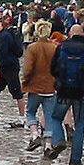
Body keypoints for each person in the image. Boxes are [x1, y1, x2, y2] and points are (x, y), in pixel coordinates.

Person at [48, 25, 84, 165]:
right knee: (80, 124)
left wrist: (60, 80)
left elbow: (53, 68)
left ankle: (59, 140)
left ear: (69, 33)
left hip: (64, 91)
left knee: (56, 118)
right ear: (82, 34)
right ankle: (76, 159)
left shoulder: (62, 47)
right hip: (81, 92)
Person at [22, 20, 60, 152]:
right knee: (49, 116)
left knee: (31, 112)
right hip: (50, 87)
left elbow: (28, 69)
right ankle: (48, 145)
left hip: (35, 86)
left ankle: (35, 134)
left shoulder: (32, 48)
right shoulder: (54, 48)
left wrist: (25, 82)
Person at [0, 14, 27, 126]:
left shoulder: (5, 36)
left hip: (10, 66)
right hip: (6, 65)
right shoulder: (5, 34)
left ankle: (22, 118)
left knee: (17, 92)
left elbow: (2, 51)